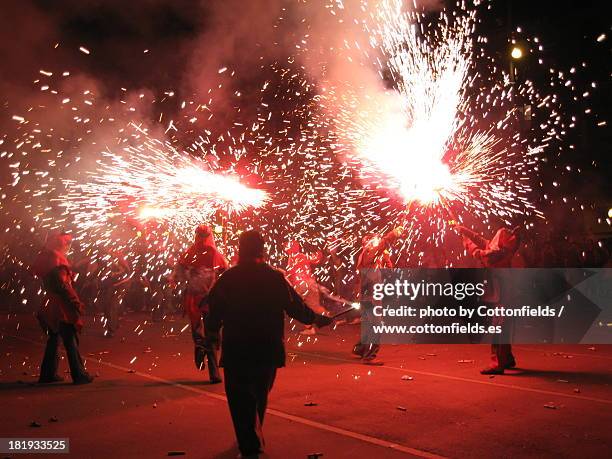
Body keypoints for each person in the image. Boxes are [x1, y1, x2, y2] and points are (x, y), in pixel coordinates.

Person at [206, 230, 333, 458]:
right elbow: (296, 307)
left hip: (238, 349)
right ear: (262, 250)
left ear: (240, 249)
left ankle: (250, 445)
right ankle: (251, 441)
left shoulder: (229, 278)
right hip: (267, 349)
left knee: (240, 399)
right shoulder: (274, 277)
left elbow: (213, 312)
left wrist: (211, 338)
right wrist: (317, 318)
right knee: (258, 396)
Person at [453, 224, 522, 375]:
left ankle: (497, 363)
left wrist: (465, 240)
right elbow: (483, 241)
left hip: (502, 295)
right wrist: (464, 230)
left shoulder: (499, 254)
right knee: (503, 326)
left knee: (499, 327)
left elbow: (480, 254)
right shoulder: (501, 249)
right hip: (503, 293)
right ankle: (508, 358)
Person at [32, 231, 93, 385]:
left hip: (49, 304)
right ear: (60, 245)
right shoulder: (58, 261)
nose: (68, 247)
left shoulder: (46, 258)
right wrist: (75, 302)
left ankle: (48, 374)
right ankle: (79, 375)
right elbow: (64, 286)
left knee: (53, 339)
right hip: (61, 307)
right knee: (70, 340)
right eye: (66, 244)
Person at [171, 224, 227, 383]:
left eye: (203, 236)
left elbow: (223, 272)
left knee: (209, 333)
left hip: (208, 298)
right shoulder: (192, 252)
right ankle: (202, 351)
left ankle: (212, 369)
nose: (201, 239)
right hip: (196, 298)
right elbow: (179, 269)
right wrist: (175, 278)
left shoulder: (212, 253)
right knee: (201, 332)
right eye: (199, 235)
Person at [352, 226, 403, 365]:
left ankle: (361, 348)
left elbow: (389, 269)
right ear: (368, 244)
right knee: (376, 325)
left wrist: (385, 256)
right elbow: (383, 244)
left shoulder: (371, 257)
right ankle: (368, 356)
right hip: (371, 298)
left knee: (370, 325)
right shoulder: (368, 255)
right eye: (374, 241)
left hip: (370, 297)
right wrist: (393, 234)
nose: (377, 242)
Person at [284, 239, 325, 335]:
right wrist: (319, 252)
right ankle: (327, 316)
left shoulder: (293, 257)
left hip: (301, 284)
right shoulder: (302, 255)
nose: (285, 249)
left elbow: (291, 273)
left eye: (287, 247)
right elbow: (315, 259)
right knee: (314, 305)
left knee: (301, 307)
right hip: (311, 283)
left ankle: (309, 327)